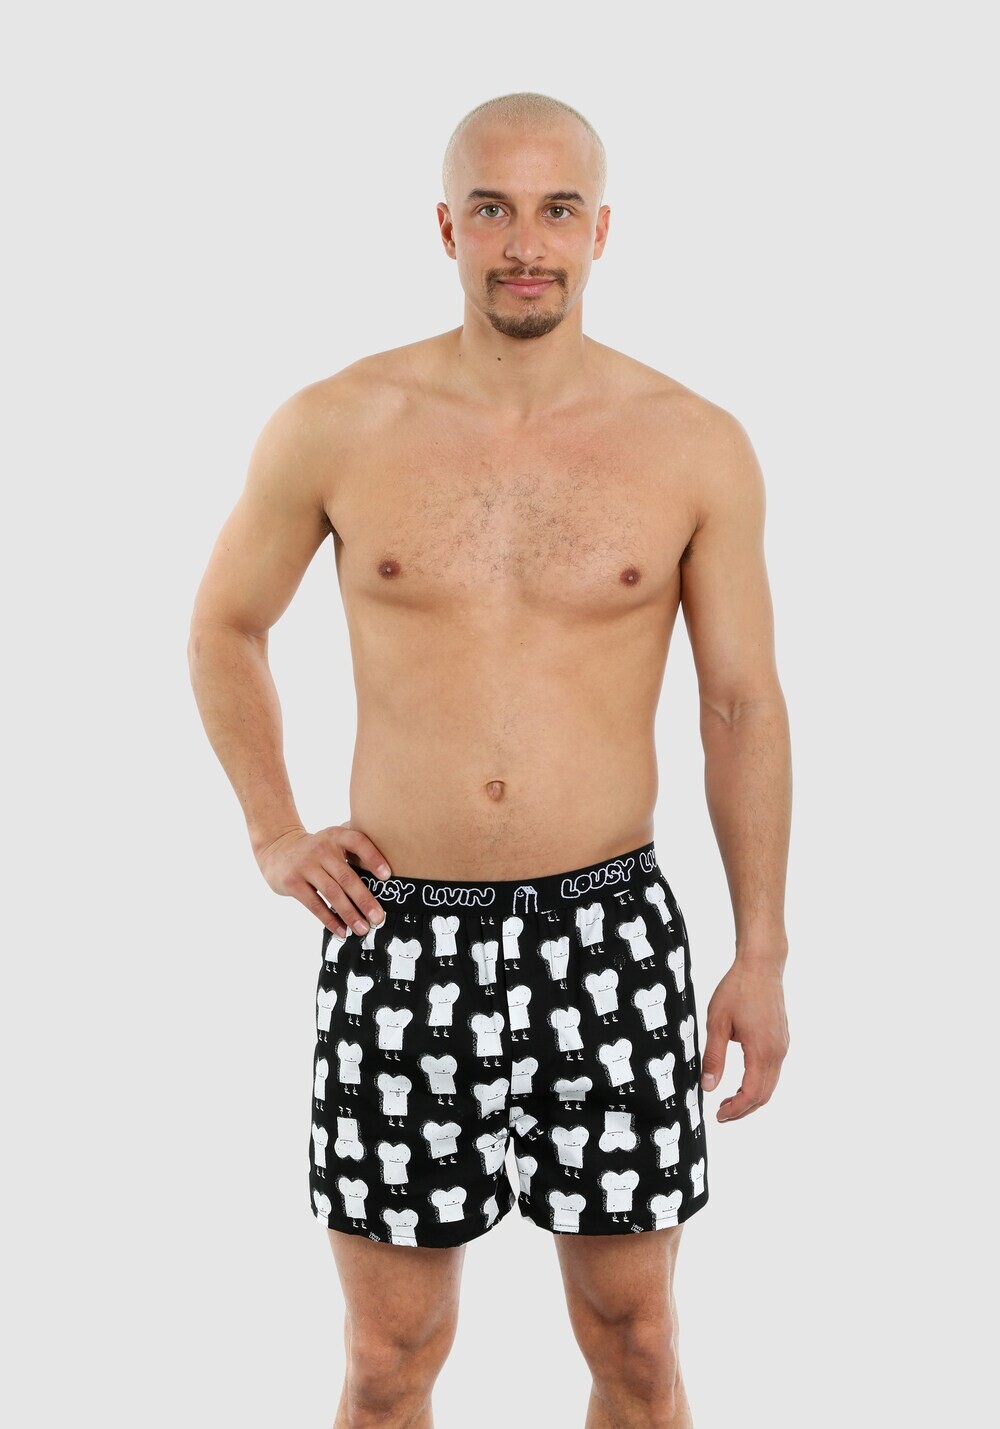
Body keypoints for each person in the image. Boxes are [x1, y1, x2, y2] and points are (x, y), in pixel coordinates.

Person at [188, 90, 792, 1429]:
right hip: (398, 933)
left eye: (557, 209)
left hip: (609, 933)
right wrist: (274, 828)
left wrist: (761, 949)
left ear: (601, 230)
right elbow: (225, 625)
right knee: (388, 1356)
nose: (527, 244)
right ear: (446, 226)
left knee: (638, 1341)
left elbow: (741, 704)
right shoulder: (338, 422)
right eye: (495, 210)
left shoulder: (693, 442)